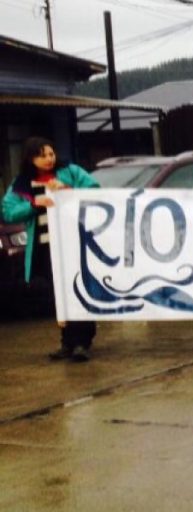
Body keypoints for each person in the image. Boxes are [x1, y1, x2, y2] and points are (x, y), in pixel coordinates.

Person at [2, 137, 100, 362]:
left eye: (51, 154)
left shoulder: (70, 171)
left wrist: (67, 190)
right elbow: (8, 212)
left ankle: (82, 342)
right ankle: (67, 342)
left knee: (76, 289)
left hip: (72, 243)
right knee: (58, 295)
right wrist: (35, 204)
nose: (49, 159)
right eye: (42, 155)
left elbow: (94, 189)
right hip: (44, 248)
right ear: (30, 158)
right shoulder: (21, 183)